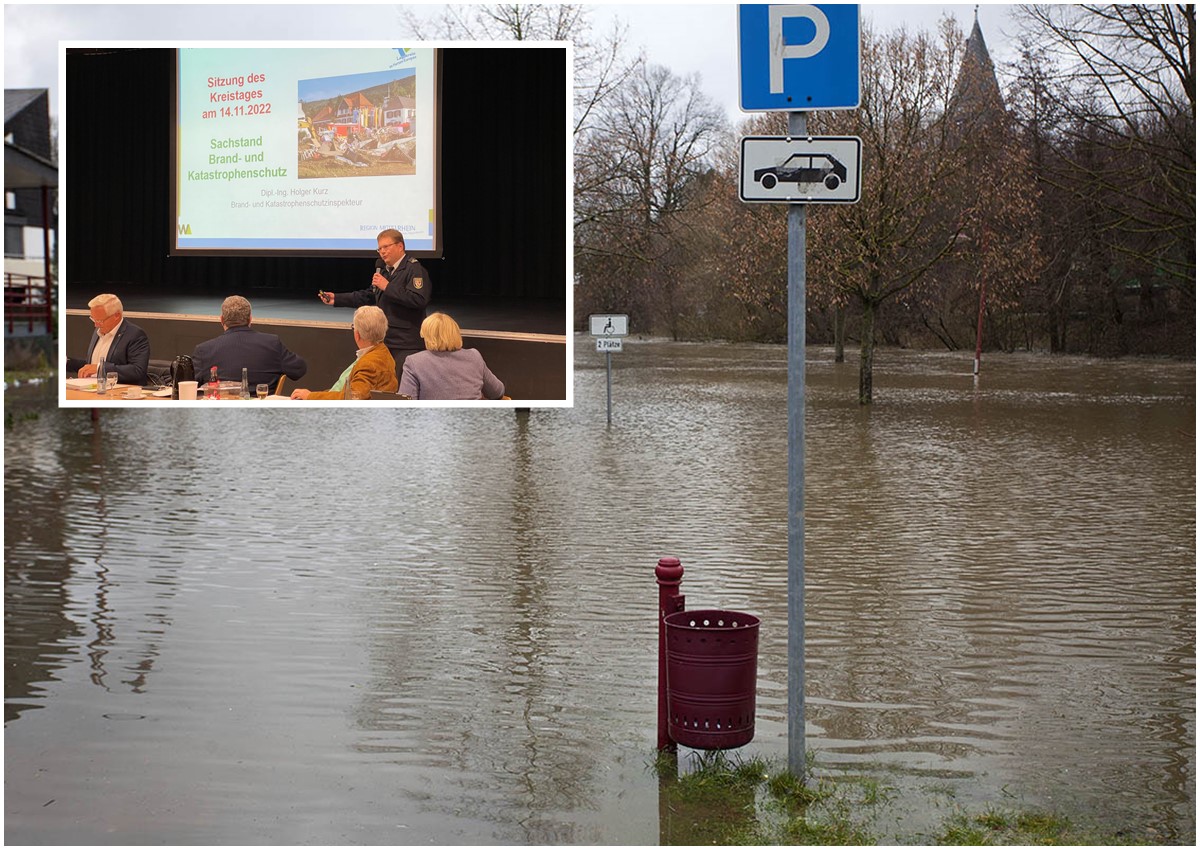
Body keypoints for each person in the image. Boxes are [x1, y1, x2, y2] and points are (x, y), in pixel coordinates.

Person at [317, 228, 430, 377]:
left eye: (386, 247)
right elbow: (369, 296)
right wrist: (337, 298)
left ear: (400, 246)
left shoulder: (414, 269)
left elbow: (419, 299)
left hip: (406, 344)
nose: (382, 252)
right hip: (385, 341)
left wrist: (388, 287)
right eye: (379, 248)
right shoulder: (384, 271)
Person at [191, 295, 307, 390]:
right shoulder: (272, 344)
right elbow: (299, 369)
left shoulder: (203, 350)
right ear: (250, 319)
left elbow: (187, 385)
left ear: (221, 320)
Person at [291, 306, 398, 400]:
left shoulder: (369, 364)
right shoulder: (382, 352)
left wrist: (310, 397)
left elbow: (351, 398)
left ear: (357, 335)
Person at [398, 312, 505, 400]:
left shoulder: (414, 362)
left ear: (427, 337)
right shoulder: (474, 356)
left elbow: (406, 406)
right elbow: (497, 391)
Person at [65, 293, 150, 385]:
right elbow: (91, 365)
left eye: (100, 320)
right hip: (93, 389)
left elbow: (137, 371)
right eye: (93, 319)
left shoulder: (134, 334)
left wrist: (100, 368)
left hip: (120, 392)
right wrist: (66, 362)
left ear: (116, 316)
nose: (96, 325)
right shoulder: (99, 330)